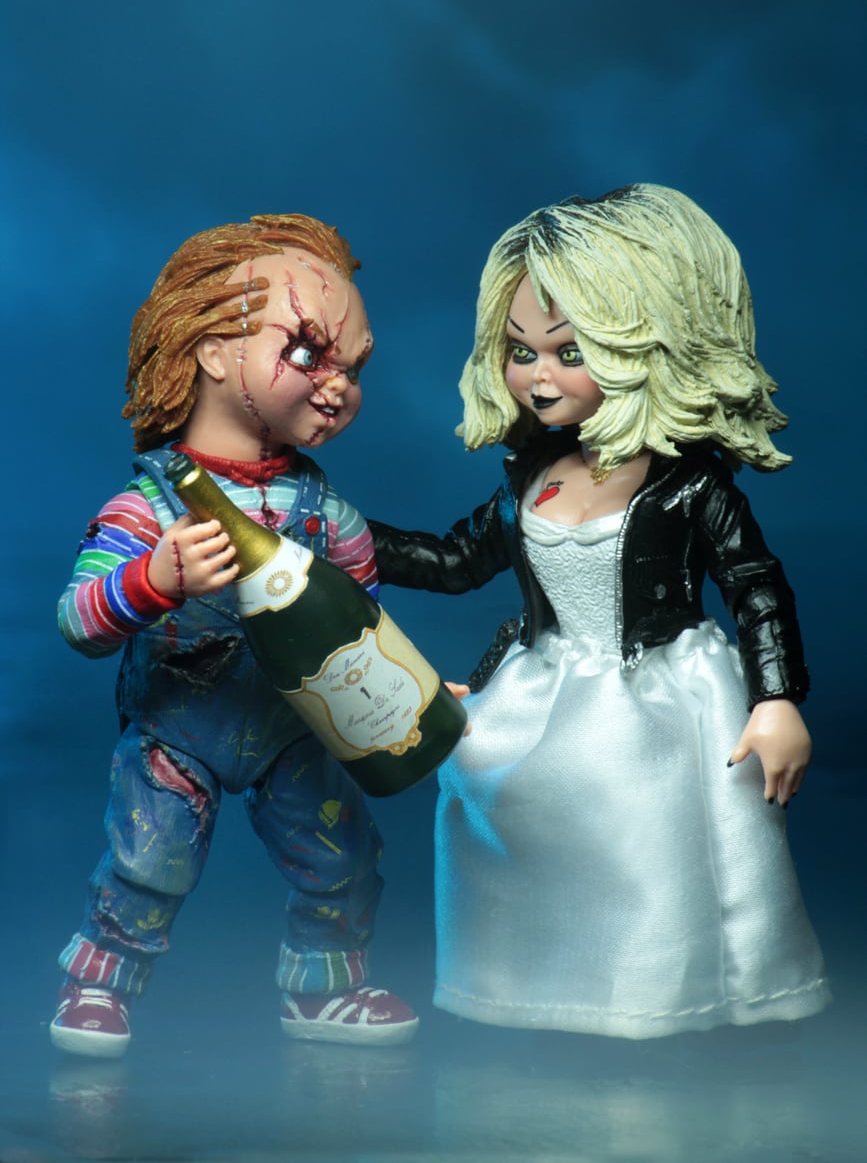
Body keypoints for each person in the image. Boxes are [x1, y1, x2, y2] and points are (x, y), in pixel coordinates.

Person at [369, 185, 830, 1038]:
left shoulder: (688, 484)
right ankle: (529, 988)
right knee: (500, 804)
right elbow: (454, 562)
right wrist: (340, 535)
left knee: (643, 837)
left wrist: (775, 698)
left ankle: (652, 997)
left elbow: (754, 584)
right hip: (543, 682)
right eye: (520, 351)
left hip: (655, 693)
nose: (537, 376)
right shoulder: (531, 476)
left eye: (568, 351)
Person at [51, 213, 418, 1057]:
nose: (337, 387)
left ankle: (324, 988)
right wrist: (152, 580)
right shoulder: (147, 510)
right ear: (214, 353)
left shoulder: (330, 517)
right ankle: (99, 982)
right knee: (150, 859)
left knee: (341, 856)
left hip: (295, 728)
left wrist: (412, 691)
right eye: (308, 353)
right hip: (178, 731)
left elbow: (364, 626)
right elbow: (78, 621)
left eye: (353, 369)